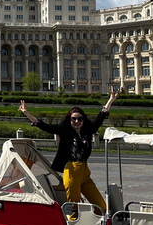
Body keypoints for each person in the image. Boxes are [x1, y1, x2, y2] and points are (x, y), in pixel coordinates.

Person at [18, 86, 119, 214]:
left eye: (79, 119)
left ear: (83, 120)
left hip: (84, 172)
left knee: (102, 207)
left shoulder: (87, 131)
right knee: (74, 208)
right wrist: (26, 113)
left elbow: (101, 115)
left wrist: (110, 100)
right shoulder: (64, 129)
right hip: (71, 170)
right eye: (73, 119)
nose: (77, 121)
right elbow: (44, 126)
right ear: (69, 119)